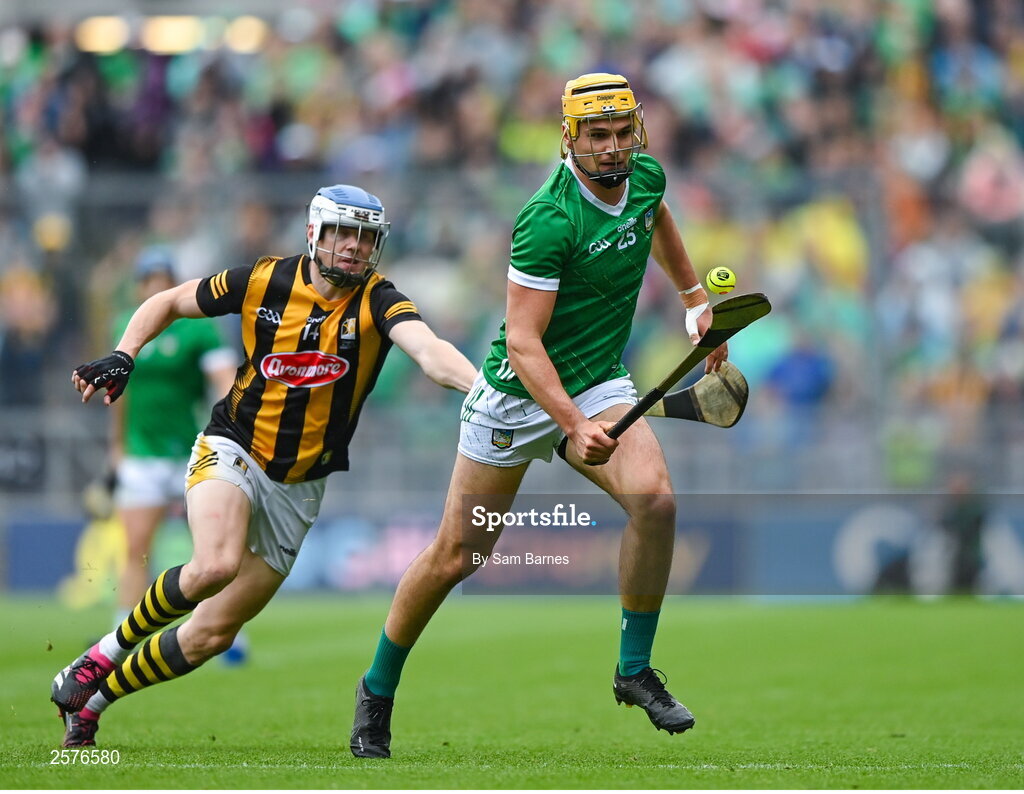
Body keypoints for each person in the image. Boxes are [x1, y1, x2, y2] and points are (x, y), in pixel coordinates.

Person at [350, 73, 728, 759]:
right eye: (598, 136)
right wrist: (571, 426)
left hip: (598, 382)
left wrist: (696, 298)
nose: (613, 149)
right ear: (569, 137)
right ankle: (377, 689)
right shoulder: (548, 218)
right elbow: (523, 343)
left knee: (657, 502)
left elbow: (658, 216)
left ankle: (634, 669)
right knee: (458, 556)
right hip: (517, 397)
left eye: (621, 133)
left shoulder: (645, 176)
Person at [51, 185, 477, 748]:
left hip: (300, 489)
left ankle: (92, 702)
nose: (353, 247)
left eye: (365, 237)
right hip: (234, 448)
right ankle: (100, 655)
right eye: (342, 234)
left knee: (213, 634)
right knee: (214, 564)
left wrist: (482, 388)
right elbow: (168, 301)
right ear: (314, 235)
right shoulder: (263, 280)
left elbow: (429, 349)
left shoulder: (379, 300)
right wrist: (125, 352)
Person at [108, 246, 238, 640]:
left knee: (214, 551)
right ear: (139, 287)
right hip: (142, 454)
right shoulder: (126, 327)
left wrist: (236, 428)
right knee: (136, 548)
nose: (156, 287)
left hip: (190, 452)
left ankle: (225, 628)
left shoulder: (198, 328)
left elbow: (225, 378)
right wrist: (115, 446)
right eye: (150, 280)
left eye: (163, 280)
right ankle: (120, 633)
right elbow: (119, 396)